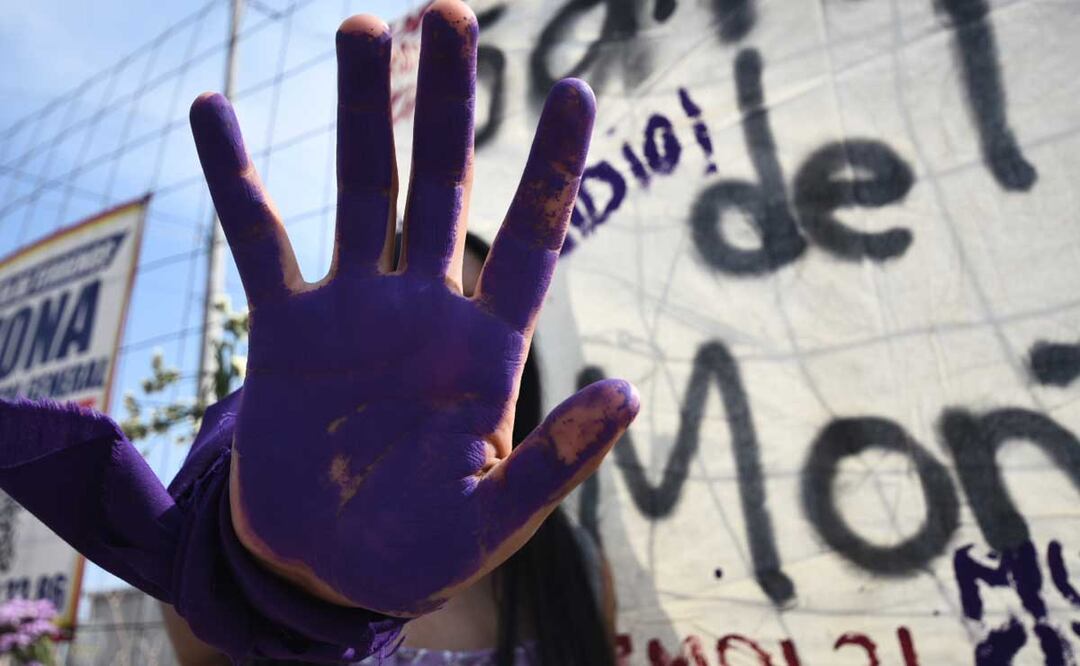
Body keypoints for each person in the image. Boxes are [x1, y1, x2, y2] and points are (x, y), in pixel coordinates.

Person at [0, 0, 638, 662]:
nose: (415, 373)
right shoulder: (229, 571)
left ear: (516, 376)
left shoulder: (577, 571)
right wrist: (282, 581)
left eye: (458, 341)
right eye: (392, 337)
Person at [164, 235, 619, 665]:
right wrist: (255, 566)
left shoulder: (577, 570)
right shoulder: (284, 535)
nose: (446, 365)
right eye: (415, 330)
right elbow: (198, 644)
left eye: (480, 330)